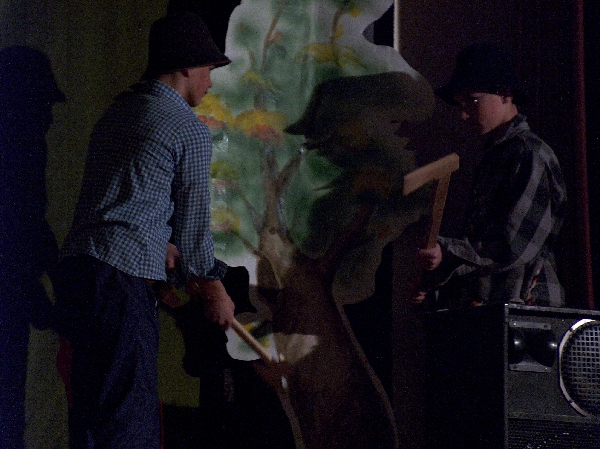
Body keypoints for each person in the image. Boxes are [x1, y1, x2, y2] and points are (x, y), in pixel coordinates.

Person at [52, 12, 235, 448]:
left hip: (79, 275)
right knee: (128, 424)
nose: (211, 81)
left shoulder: (119, 112)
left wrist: (160, 253)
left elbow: (119, 206)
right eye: (209, 69)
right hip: (119, 285)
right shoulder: (188, 130)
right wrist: (214, 288)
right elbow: (194, 233)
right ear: (187, 66)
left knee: (91, 418)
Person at [415, 43, 567, 308]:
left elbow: (514, 246)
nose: (464, 114)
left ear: (505, 94)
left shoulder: (530, 154)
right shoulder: (495, 158)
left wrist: (448, 252)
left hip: (525, 305)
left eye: (472, 101)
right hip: (494, 305)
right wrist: (438, 283)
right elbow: (482, 250)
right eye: (461, 104)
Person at [0, 45, 65, 449]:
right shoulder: (20, 150)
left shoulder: (23, 148)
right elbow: (21, 226)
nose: (49, 118)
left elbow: (29, 224)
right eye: (43, 104)